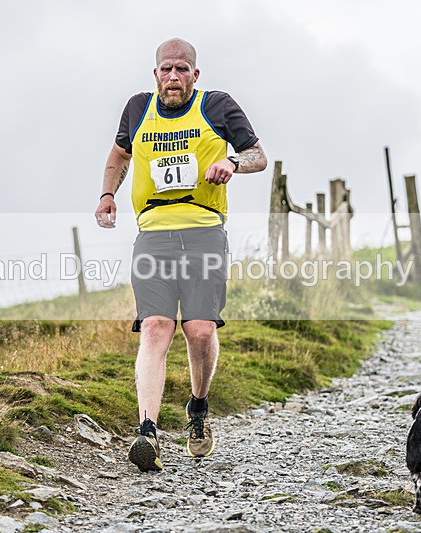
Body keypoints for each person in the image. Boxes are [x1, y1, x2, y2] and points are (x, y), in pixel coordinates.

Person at [94, 38, 267, 472]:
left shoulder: (217, 106)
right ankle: (147, 432)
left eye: (182, 70)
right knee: (155, 327)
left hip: (205, 232)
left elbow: (258, 156)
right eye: (166, 70)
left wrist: (232, 163)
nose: (174, 77)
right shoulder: (138, 109)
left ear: (195, 74)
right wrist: (107, 194)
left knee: (201, 331)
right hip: (153, 234)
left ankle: (198, 407)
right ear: (155, 74)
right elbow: (119, 153)